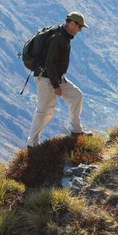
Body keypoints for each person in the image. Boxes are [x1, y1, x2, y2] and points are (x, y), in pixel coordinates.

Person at [26, 11, 92, 147]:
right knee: (44, 111)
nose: (79, 30)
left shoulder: (63, 36)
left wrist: (57, 81)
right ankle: (32, 145)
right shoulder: (58, 38)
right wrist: (56, 86)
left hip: (55, 76)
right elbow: (50, 63)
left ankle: (76, 131)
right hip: (45, 78)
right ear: (72, 24)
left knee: (76, 96)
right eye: (79, 27)